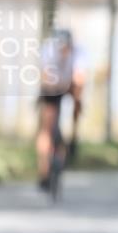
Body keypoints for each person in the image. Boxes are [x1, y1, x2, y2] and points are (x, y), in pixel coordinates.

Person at [36, 28, 86, 189]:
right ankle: (44, 170)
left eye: (67, 48)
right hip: (52, 87)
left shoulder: (78, 53)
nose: (64, 52)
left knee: (78, 98)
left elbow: (80, 76)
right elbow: (44, 77)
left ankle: (74, 135)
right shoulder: (48, 52)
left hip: (69, 83)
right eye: (61, 48)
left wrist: (76, 96)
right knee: (47, 126)